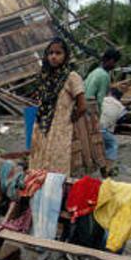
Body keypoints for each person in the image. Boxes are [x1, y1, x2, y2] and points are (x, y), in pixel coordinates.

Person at [29, 38, 87, 176]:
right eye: (50, 53)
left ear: (65, 56)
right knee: (37, 165)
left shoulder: (71, 77)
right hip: (41, 128)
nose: (53, 56)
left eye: (58, 53)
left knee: (55, 169)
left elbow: (82, 106)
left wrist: (69, 119)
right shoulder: (44, 77)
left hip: (60, 131)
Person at [99, 88, 126, 176]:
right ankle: (107, 168)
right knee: (113, 144)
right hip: (105, 130)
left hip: (95, 127)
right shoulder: (121, 107)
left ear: (110, 93)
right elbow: (122, 120)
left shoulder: (103, 99)